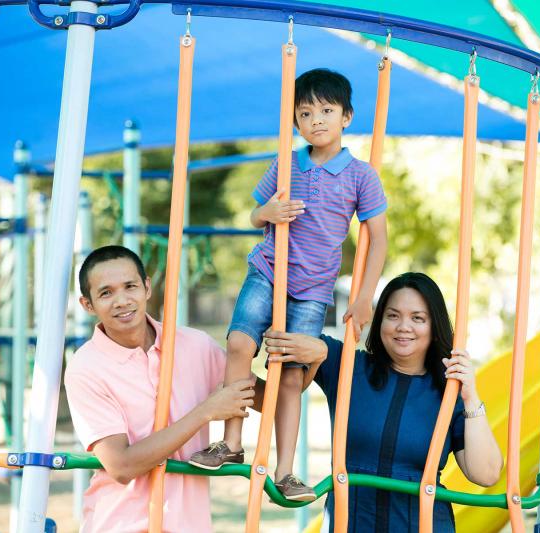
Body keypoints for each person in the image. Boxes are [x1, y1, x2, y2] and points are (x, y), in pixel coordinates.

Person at [189, 68, 388, 502]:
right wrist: (268, 216)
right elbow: (254, 215)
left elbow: (379, 240)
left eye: (327, 110)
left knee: (292, 376)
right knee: (240, 345)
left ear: (347, 117)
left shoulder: (361, 175)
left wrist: (364, 297)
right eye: (305, 112)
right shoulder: (286, 162)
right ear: (296, 122)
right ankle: (232, 443)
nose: (316, 120)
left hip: (314, 290)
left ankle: (285, 470)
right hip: (268, 269)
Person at [263, 272, 503, 532]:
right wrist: (319, 350)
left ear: (434, 328)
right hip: (350, 524)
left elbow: (486, 473)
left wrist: (470, 397)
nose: (403, 326)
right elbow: (280, 328)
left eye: (418, 318)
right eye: (393, 315)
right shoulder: (346, 366)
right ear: (380, 321)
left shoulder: (448, 392)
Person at [64, 245, 263, 532]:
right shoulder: (86, 367)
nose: (121, 300)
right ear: (88, 304)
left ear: (146, 287)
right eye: (106, 293)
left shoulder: (194, 345)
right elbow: (121, 466)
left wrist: (309, 355)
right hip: (119, 525)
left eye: (130, 286)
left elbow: (271, 401)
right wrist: (206, 411)